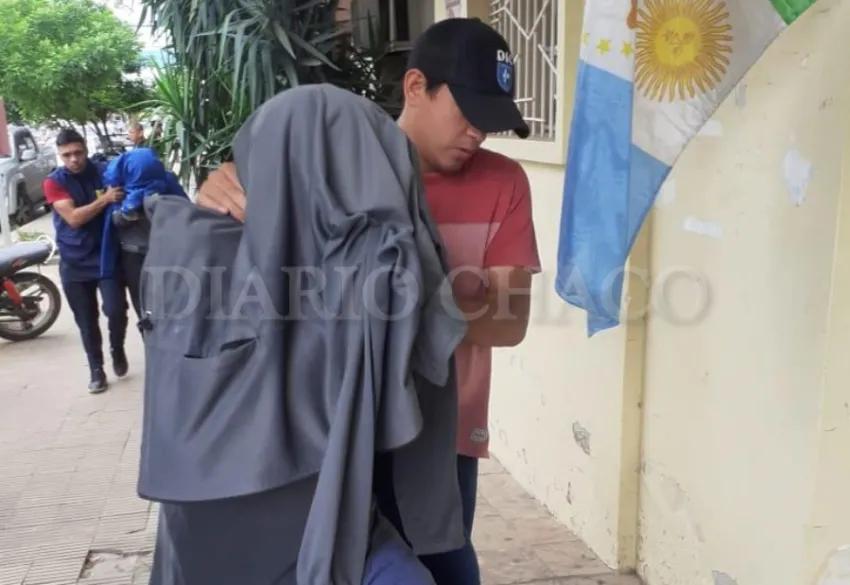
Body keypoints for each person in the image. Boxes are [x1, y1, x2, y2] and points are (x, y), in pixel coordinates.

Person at [195, 17, 540, 585]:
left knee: (443, 563)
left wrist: (386, 304)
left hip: (442, 432)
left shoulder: (503, 183)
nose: (478, 134)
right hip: (327, 423)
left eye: (491, 121)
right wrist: (221, 191)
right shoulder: (329, 161)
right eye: (469, 112)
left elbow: (509, 321)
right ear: (415, 87)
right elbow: (256, 269)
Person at [43, 128, 130, 394]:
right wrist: (105, 199)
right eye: (67, 155)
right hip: (74, 262)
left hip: (106, 257)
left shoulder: (104, 172)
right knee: (86, 320)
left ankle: (117, 348)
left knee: (116, 310)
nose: (74, 159)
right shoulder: (54, 182)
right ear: (60, 156)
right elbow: (74, 218)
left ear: (86, 150)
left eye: (78, 153)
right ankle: (96, 370)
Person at [100, 146, 188, 318]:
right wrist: (129, 210)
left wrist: (157, 204)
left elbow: (184, 213)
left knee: (171, 306)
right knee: (143, 307)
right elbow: (115, 220)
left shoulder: (166, 183)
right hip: (134, 255)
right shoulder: (118, 187)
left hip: (166, 254)